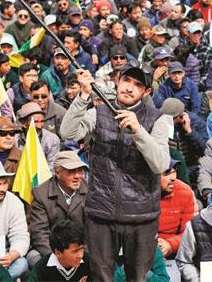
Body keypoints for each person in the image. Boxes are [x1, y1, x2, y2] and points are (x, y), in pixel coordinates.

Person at [60, 65, 170, 281]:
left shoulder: (157, 119)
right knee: (100, 276)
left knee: (138, 278)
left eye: (138, 85)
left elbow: (161, 164)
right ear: (118, 80)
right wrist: (83, 96)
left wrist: (138, 131)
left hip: (141, 215)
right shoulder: (98, 112)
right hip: (101, 214)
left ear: (146, 92)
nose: (129, 88)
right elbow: (67, 133)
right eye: (126, 80)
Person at [27, 151, 87, 267]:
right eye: (71, 172)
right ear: (58, 173)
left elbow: (92, 231)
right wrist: (59, 258)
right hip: (52, 250)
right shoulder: (41, 193)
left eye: (80, 171)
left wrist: (80, 254)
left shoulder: (90, 190)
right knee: (35, 260)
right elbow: (40, 233)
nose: (77, 176)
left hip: (81, 250)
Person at [158, 159, 197, 281]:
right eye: (167, 173)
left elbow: (191, 232)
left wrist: (170, 244)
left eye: (174, 172)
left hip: (174, 254)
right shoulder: (137, 192)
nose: (173, 177)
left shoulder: (185, 192)